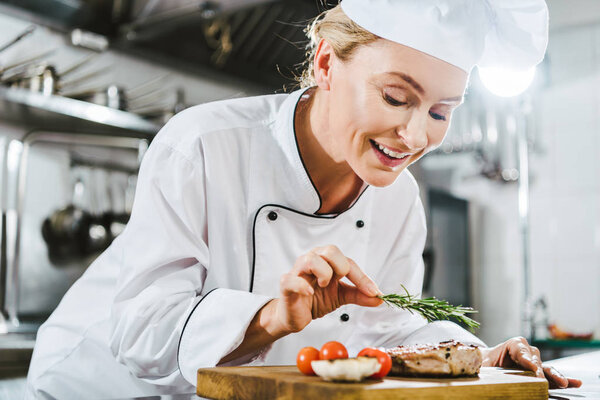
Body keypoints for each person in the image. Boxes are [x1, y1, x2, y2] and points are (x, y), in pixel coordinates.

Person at [26, 0, 581, 398]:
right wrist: (270, 317)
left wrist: (470, 356)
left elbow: (383, 327)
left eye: (441, 112)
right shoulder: (203, 145)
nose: (415, 137)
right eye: (395, 96)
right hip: (92, 387)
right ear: (324, 64)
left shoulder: (398, 200)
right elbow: (142, 332)